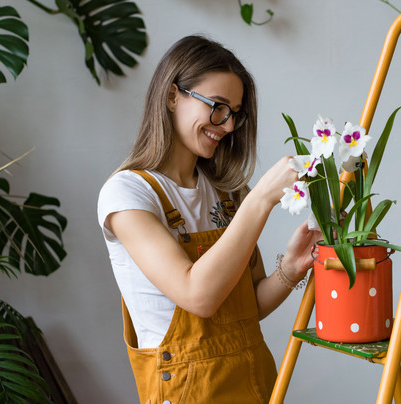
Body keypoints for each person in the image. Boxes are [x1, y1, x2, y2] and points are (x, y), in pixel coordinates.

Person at [97, 35, 320, 403]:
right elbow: (198, 296)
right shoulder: (128, 194)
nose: (228, 125)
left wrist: (292, 268)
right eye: (217, 106)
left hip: (254, 382)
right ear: (172, 96)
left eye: (235, 112)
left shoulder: (229, 193)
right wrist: (262, 199)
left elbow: (250, 308)